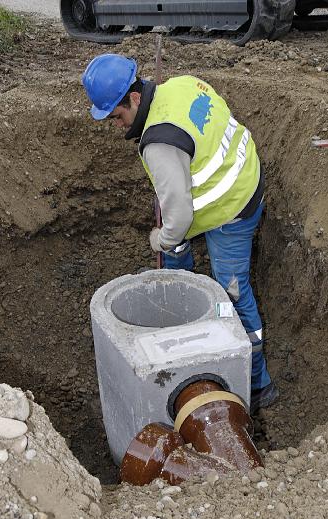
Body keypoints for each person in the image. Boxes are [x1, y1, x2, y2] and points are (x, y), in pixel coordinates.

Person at [81, 53, 278, 414]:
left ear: (135, 98)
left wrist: (163, 238)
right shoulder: (183, 85)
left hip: (231, 207)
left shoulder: (158, 143)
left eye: (117, 115)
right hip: (244, 172)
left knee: (231, 292)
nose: (116, 124)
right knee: (177, 242)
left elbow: (180, 213)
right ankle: (181, 289)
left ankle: (257, 381)